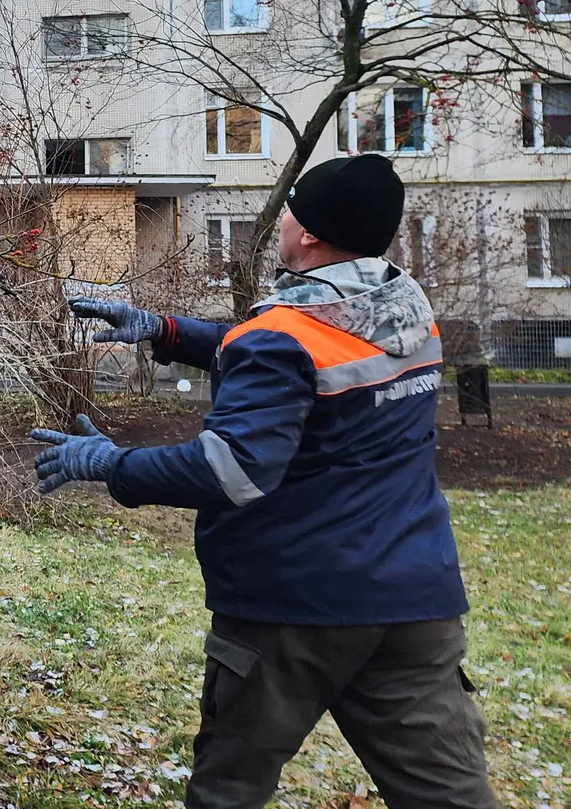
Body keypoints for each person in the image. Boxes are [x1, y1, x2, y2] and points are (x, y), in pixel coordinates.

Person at [33, 154, 497, 809]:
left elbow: (232, 467)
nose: (281, 220)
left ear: (308, 233)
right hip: (414, 599)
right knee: (448, 795)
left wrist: (111, 463)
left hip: (293, 613)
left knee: (230, 790)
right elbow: (294, 352)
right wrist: (167, 332)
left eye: (290, 210)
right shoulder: (405, 314)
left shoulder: (284, 335)